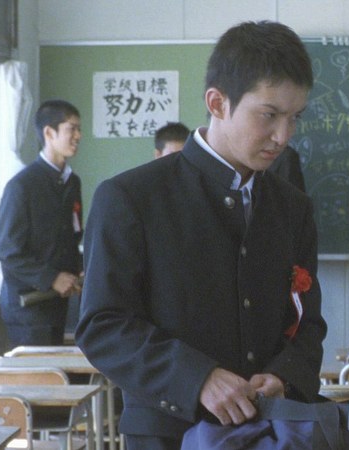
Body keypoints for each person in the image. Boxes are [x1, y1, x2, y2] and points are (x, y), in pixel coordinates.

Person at [75, 21, 326, 450]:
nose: (283, 136)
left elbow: (308, 322)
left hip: (271, 430)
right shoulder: (131, 197)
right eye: (269, 115)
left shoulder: (293, 208)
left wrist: (285, 376)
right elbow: (103, 324)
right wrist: (198, 378)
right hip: (166, 432)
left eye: (294, 118)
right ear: (217, 102)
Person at [0, 99, 83, 346]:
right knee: (38, 369)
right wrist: (52, 278)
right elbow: (7, 251)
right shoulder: (22, 186)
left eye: (79, 129)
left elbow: (73, 234)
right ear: (49, 133)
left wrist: (79, 268)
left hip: (57, 302)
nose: (78, 136)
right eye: (72, 129)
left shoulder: (72, 182)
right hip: (27, 307)